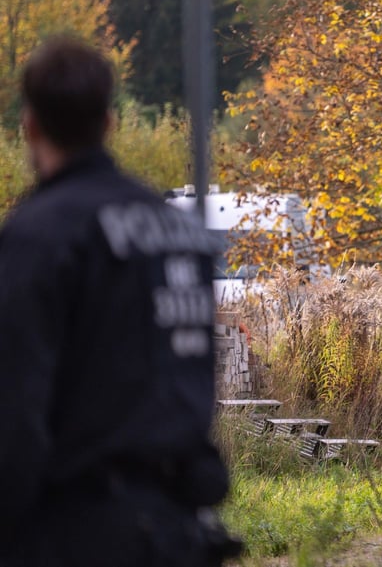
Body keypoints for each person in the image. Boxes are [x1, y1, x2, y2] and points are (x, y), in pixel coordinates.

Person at [0, 38, 237, 565]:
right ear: (108, 122)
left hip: (75, 530)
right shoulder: (180, 232)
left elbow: (15, 408)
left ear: (30, 126)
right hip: (177, 528)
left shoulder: (40, 237)